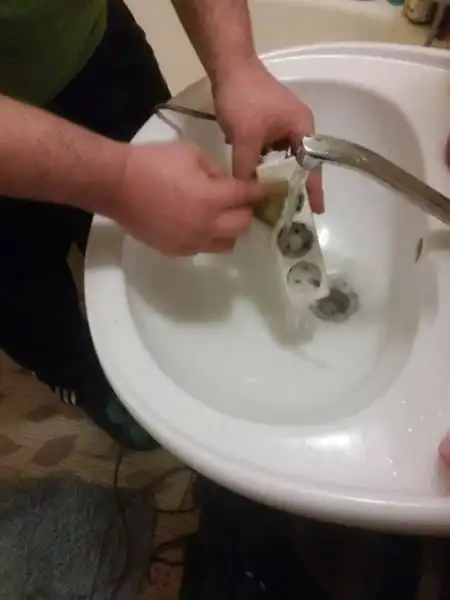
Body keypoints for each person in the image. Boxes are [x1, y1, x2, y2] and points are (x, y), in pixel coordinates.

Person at [0, 0, 321, 450]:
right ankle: (77, 372)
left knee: (149, 240)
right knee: (22, 288)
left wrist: (237, 64)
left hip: (85, 38)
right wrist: (119, 180)